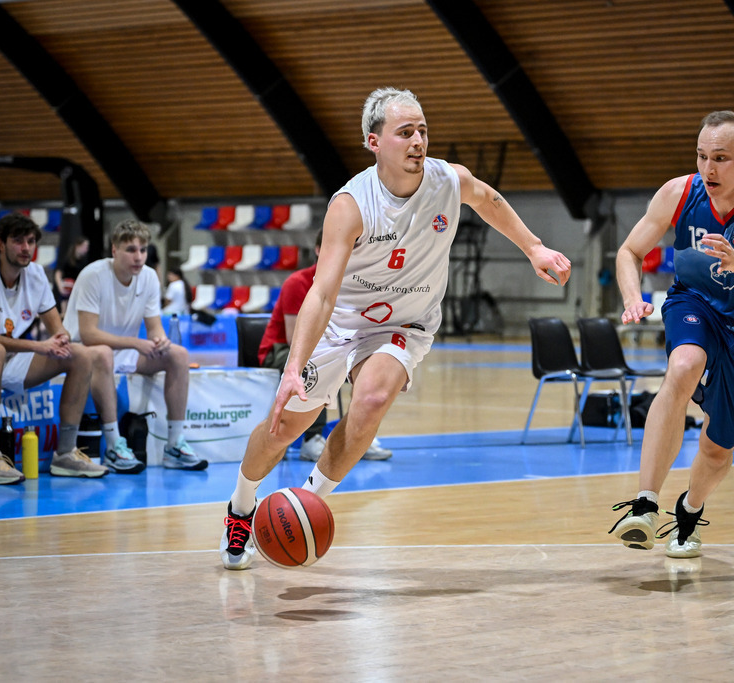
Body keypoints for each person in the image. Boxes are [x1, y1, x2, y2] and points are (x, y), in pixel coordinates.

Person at [219, 87, 572, 569]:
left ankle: (304, 504)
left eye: (423, 130)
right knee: (285, 427)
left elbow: (488, 200)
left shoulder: (449, 181)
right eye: (405, 132)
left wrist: (534, 248)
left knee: (370, 400)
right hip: (341, 322)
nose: (418, 141)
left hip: (405, 323)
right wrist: (294, 365)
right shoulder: (351, 203)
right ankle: (241, 505)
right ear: (374, 141)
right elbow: (320, 294)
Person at [609, 110, 734, 558]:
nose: (709, 169)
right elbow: (629, 250)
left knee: (717, 449)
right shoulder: (679, 193)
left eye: (720, 158)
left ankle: (689, 511)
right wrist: (631, 296)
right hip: (694, 302)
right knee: (683, 365)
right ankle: (645, 504)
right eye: (702, 156)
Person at [64, 219, 209, 472]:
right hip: (83, 353)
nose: (138, 256)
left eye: (143, 250)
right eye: (131, 249)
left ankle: (175, 444)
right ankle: (113, 446)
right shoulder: (93, 275)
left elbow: (154, 329)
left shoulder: (150, 277)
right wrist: (135, 342)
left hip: (124, 351)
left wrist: (160, 340)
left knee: (178, 354)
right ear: (114, 250)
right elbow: (87, 334)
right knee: (103, 353)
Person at [0, 213, 117, 482]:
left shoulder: (35, 274)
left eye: (31, 242)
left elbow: (58, 328)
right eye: (18, 241)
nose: (26, 248)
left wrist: (61, 339)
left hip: (12, 359)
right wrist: (38, 345)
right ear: (0, 244)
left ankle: (65, 453)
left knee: (80, 354)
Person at [256, 228, 392, 462]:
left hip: (333, 344)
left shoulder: (353, 283)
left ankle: (358, 434)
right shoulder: (297, 282)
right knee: (316, 363)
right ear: (319, 250)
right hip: (281, 350)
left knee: (369, 366)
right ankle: (311, 439)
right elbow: (293, 337)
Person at [53, 235, 90, 315]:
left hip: (77, 290)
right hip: (66, 290)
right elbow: (58, 273)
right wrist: (61, 286)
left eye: (87, 247)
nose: (86, 249)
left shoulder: (84, 261)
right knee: (64, 313)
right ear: (78, 246)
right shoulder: (67, 258)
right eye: (85, 246)